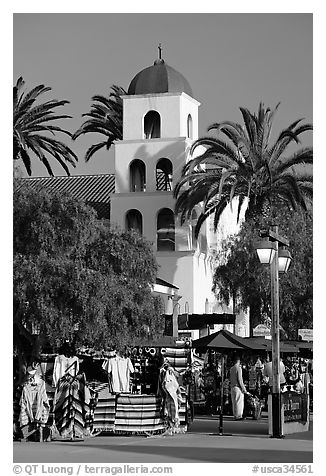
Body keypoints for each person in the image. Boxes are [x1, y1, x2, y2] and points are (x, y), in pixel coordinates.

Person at [230, 355, 248, 420]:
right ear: (238, 361)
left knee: (234, 402)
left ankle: (235, 415)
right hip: (238, 387)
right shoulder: (239, 368)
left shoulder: (231, 369)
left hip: (232, 387)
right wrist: (243, 388)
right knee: (239, 402)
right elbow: (240, 380)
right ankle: (239, 416)